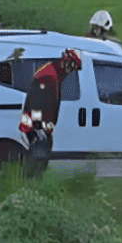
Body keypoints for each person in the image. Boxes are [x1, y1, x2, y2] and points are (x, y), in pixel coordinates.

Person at [18, 49, 83, 177]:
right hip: (36, 126)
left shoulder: (53, 71)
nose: (71, 71)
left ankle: (33, 181)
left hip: (35, 123)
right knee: (38, 157)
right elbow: (36, 104)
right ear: (67, 62)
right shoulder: (49, 75)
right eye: (72, 67)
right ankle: (32, 183)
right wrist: (40, 128)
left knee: (40, 155)